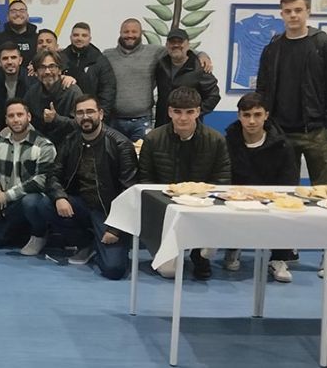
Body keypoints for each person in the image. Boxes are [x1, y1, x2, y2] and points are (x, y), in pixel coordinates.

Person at [33, 95, 137, 278]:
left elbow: (129, 191)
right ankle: (86, 242)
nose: (85, 117)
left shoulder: (120, 145)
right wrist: (60, 197)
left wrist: (115, 228)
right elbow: (53, 174)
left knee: (113, 270)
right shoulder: (71, 140)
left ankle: (104, 243)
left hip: (109, 212)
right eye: (80, 113)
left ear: (101, 114)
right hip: (80, 204)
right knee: (43, 205)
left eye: (90, 111)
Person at [138, 87, 231, 280]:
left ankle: (199, 252)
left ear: (198, 112)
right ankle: (172, 250)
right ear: (169, 111)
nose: (183, 118)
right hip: (165, 209)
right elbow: (145, 181)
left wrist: (201, 204)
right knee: (169, 272)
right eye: (177, 112)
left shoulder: (216, 140)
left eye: (190, 112)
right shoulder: (153, 139)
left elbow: (222, 181)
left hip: (202, 209)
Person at [256, 0, 327, 184]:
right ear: (281, 14)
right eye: (288, 11)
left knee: (324, 192)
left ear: (308, 12)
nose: (293, 15)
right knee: (282, 191)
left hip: (316, 131)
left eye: (298, 10)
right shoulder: (272, 49)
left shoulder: (326, 44)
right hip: (280, 132)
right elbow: (262, 88)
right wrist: (266, 122)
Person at [223, 93, 298, 282]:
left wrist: (269, 198)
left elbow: (289, 183)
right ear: (239, 116)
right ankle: (232, 247)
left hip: (271, 199)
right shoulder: (227, 143)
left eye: (257, 115)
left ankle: (279, 258)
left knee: (289, 207)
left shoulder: (283, 146)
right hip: (236, 199)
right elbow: (222, 177)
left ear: (266, 115)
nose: (251, 121)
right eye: (246, 115)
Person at [104, 19, 214, 141]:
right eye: (126, 32)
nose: (130, 35)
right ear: (120, 33)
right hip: (114, 120)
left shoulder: (154, 52)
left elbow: (179, 50)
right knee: (113, 159)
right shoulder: (108, 55)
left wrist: (202, 54)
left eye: (134, 31)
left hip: (143, 121)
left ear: (141, 33)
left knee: (142, 157)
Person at [0, 99, 56, 252]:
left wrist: (7, 195)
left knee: (31, 202)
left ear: (29, 117)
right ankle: (19, 233)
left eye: (20, 115)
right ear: (6, 120)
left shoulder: (44, 145)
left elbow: (42, 180)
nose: (16, 119)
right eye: (11, 116)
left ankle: (39, 234)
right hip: (7, 205)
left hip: (31, 200)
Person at [153, 28, 220, 127]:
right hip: (162, 125)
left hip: (189, 126)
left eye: (180, 42)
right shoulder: (160, 65)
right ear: (167, 45)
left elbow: (214, 96)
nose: (176, 45)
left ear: (188, 45)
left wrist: (193, 113)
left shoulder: (199, 67)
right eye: (172, 42)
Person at [24, 50, 83, 148]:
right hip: (39, 146)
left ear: (60, 70)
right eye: (42, 67)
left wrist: (56, 119)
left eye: (52, 67)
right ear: (36, 72)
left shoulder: (73, 91)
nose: (47, 72)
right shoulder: (32, 92)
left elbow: (81, 123)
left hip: (69, 146)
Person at [60, 22, 116, 120]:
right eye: (76, 35)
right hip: (65, 117)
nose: (79, 38)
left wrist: (101, 116)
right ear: (70, 37)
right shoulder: (60, 58)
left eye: (84, 35)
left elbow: (108, 90)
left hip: (90, 117)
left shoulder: (100, 60)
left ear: (90, 38)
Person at [0, 0, 38, 67]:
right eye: (13, 11)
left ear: (27, 16)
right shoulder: (0, 38)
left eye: (22, 11)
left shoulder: (37, 38)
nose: (18, 14)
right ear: (7, 17)